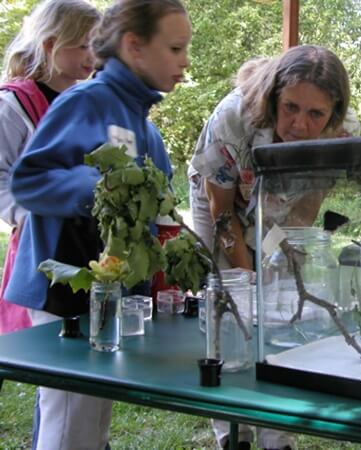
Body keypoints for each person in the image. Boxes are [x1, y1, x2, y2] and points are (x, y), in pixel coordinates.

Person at [5, 1, 191, 448]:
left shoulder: (144, 123)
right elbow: (29, 181)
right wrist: (99, 188)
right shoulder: (86, 101)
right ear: (135, 47)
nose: (184, 61)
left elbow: (160, 210)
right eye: (175, 47)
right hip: (65, 289)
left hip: (109, 292)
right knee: (69, 421)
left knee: (93, 420)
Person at [188, 44, 360, 450]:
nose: (300, 124)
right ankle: (233, 433)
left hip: (283, 204)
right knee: (230, 304)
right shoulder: (233, 118)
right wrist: (247, 275)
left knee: (283, 302)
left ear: (333, 114)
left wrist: (278, 256)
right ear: (273, 98)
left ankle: (276, 435)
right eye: (291, 107)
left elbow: (307, 206)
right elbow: (223, 216)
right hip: (221, 200)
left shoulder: (344, 131)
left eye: (315, 114)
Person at [0, 0, 100, 336]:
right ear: (50, 45)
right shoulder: (13, 106)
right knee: (59, 349)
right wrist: (26, 216)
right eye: (84, 46)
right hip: (44, 251)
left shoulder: (88, 101)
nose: (92, 56)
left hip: (92, 246)